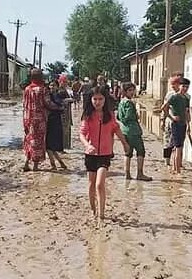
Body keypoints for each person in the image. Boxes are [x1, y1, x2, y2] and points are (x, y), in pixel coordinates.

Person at [79, 85, 131, 220]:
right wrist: (87, 145)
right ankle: (93, 210)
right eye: (95, 99)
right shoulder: (88, 115)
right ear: (90, 100)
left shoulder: (110, 115)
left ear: (105, 100)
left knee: (99, 184)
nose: (97, 102)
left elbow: (117, 130)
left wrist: (125, 144)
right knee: (91, 185)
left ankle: (101, 214)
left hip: (105, 154)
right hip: (90, 154)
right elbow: (82, 134)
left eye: (100, 99)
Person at [116, 82, 151, 181]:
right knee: (141, 151)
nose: (132, 92)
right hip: (133, 131)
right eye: (130, 90)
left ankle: (127, 174)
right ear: (125, 91)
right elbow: (128, 116)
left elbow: (118, 116)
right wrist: (136, 116)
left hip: (124, 130)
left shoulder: (121, 102)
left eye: (133, 90)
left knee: (128, 153)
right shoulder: (129, 103)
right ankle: (140, 173)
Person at [22, 68, 53, 171]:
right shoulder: (43, 89)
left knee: (29, 140)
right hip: (40, 120)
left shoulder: (27, 89)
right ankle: (35, 166)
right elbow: (48, 103)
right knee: (38, 141)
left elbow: (24, 105)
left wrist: (25, 121)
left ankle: (26, 163)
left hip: (28, 119)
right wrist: (60, 106)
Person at [167, 78, 191, 175]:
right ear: (179, 86)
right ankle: (178, 172)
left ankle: (175, 167)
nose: (185, 88)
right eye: (183, 86)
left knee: (179, 147)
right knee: (178, 147)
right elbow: (164, 108)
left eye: (187, 87)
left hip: (183, 124)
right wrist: (172, 117)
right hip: (175, 125)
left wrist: (189, 125)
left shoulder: (186, 98)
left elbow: (187, 112)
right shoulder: (174, 97)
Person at [160, 72, 184, 166]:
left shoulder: (184, 95)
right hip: (170, 121)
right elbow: (164, 108)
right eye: (171, 84)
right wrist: (163, 119)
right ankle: (167, 161)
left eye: (174, 84)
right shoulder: (170, 95)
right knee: (167, 141)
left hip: (181, 122)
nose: (172, 86)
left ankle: (178, 162)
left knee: (179, 143)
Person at [45, 80, 69, 170]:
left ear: (57, 87)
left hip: (54, 122)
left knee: (49, 145)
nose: (52, 87)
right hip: (49, 121)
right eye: (50, 85)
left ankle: (54, 165)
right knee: (50, 146)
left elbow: (61, 106)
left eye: (53, 85)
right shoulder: (49, 95)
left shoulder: (56, 96)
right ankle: (60, 163)